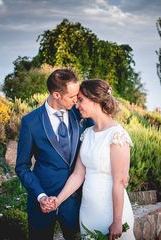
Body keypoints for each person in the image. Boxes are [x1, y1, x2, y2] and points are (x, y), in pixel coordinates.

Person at [50, 79, 135, 240]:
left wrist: (117, 221)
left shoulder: (117, 135)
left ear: (95, 99)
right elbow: (78, 175)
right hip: (88, 212)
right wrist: (58, 200)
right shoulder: (88, 133)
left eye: (81, 99)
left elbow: (119, 182)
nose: (77, 105)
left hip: (111, 212)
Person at [15, 69, 91, 240]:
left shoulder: (81, 114)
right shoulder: (30, 122)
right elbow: (22, 167)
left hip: (75, 201)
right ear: (56, 94)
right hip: (42, 202)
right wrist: (40, 196)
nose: (76, 100)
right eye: (72, 97)